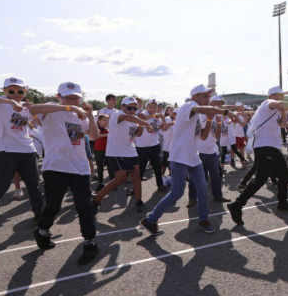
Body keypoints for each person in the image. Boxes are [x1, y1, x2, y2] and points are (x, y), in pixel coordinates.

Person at [141, 84, 232, 235]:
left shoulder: (201, 114)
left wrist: (210, 120)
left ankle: (204, 220)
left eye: (208, 96)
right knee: (177, 193)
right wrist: (226, 112)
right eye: (205, 96)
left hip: (193, 157)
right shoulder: (188, 106)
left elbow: (202, 136)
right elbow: (208, 109)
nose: (208, 98)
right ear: (195, 96)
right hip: (179, 157)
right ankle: (150, 220)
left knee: (203, 189)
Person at [29, 82, 100, 264]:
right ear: (59, 96)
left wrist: (90, 116)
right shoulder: (51, 110)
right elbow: (32, 109)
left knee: (84, 206)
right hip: (56, 167)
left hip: (80, 168)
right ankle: (42, 230)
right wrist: (67, 106)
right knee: (53, 206)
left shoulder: (80, 116)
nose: (73, 100)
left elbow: (93, 136)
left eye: (76, 97)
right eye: (68, 97)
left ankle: (90, 242)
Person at [0, 77, 45, 236]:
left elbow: (33, 123)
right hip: (4, 151)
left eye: (20, 91)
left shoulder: (25, 107)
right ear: (4, 91)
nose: (16, 94)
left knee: (34, 186)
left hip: (27, 150)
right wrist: (9, 102)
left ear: (24, 91)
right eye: (11, 91)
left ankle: (41, 221)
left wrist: (31, 108)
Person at [227, 86, 288, 226]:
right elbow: (277, 104)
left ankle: (282, 203)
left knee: (279, 176)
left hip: (271, 146)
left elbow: (283, 124)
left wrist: (284, 112)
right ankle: (237, 205)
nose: (282, 97)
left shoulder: (278, 110)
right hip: (264, 146)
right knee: (263, 179)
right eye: (281, 95)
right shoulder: (268, 103)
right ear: (274, 95)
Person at [92, 96, 152, 213]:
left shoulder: (133, 119)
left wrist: (141, 126)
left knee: (136, 176)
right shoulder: (117, 115)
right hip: (116, 152)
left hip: (130, 151)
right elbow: (128, 117)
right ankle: (97, 198)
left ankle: (139, 201)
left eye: (134, 109)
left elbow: (138, 134)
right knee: (120, 179)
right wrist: (145, 123)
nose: (132, 111)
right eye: (129, 108)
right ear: (122, 107)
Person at [135, 99, 166, 191]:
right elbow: (145, 123)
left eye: (155, 107)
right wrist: (156, 116)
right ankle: (136, 189)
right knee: (141, 169)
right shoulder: (142, 113)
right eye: (151, 107)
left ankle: (160, 186)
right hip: (142, 146)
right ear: (146, 107)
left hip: (154, 145)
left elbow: (163, 127)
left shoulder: (157, 117)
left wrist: (163, 118)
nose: (153, 109)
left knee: (157, 167)